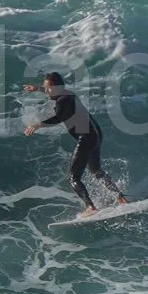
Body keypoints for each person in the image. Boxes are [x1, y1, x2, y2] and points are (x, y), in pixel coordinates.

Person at [25, 72, 128, 214]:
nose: (46, 90)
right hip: (96, 135)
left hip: (86, 138)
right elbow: (53, 93)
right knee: (96, 171)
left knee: (73, 177)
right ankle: (121, 198)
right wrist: (38, 88)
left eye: (48, 87)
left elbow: (58, 118)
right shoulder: (68, 94)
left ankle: (90, 207)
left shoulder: (62, 100)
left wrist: (37, 125)